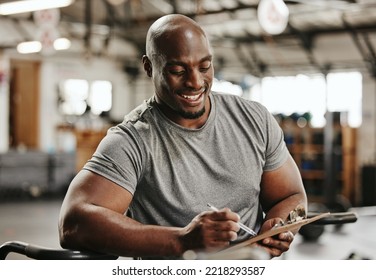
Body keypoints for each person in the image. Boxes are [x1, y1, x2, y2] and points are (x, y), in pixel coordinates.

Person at [58, 14, 307, 260]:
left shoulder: (254, 119)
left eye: (205, 67)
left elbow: (291, 196)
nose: (195, 82)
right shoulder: (132, 140)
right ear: (148, 67)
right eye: (178, 70)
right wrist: (182, 241)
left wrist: (279, 229)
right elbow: (73, 223)